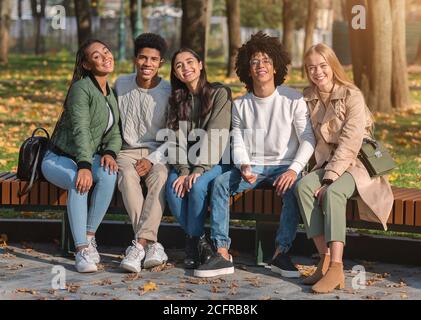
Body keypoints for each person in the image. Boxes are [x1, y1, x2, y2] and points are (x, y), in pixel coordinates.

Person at [194, 31, 316, 278]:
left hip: (285, 166)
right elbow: (237, 139)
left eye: (267, 61)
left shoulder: (293, 99)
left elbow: (308, 139)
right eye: (255, 61)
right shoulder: (240, 105)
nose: (261, 66)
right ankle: (221, 252)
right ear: (247, 69)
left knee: (294, 188)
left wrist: (294, 169)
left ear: (275, 68)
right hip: (254, 167)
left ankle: (280, 253)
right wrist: (244, 165)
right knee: (219, 184)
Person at [296, 43, 394, 293]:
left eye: (322, 65)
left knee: (333, 193)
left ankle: (337, 267)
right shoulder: (309, 96)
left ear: (332, 65)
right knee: (304, 187)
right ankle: (324, 260)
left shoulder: (352, 95)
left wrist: (329, 180)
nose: (317, 72)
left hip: (358, 164)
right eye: (311, 68)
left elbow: (350, 144)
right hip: (329, 162)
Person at [41, 39, 122, 273]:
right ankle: (80, 251)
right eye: (97, 56)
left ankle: (89, 236)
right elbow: (80, 130)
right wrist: (85, 165)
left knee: (108, 174)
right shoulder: (80, 89)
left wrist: (109, 152)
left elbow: (115, 131)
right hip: (58, 158)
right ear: (86, 65)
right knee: (80, 182)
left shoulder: (110, 92)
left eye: (106, 51)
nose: (105, 57)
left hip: (84, 158)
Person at [165, 48, 232, 270]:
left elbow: (216, 133)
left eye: (190, 62)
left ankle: (194, 245)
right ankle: (200, 241)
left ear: (201, 64)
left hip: (215, 160)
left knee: (197, 187)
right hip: (187, 163)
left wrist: (199, 169)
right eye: (179, 65)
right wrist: (184, 171)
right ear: (175, 73)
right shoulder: (176, 100)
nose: (186, 68)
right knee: (174, 190)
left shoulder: (220, 94)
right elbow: (174, 138)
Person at [114, 33, 171, 273]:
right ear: (135, 59)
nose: (147, 64)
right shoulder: (121, 84)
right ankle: (152, 244)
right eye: (143, 58)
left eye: (153, 59)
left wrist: (152, 159)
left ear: (161, 63)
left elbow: (174, 137)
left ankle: (138, 245)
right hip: (126, 151)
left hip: (157, 152)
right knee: (127, 177)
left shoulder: (169, 91)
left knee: (159, 177)